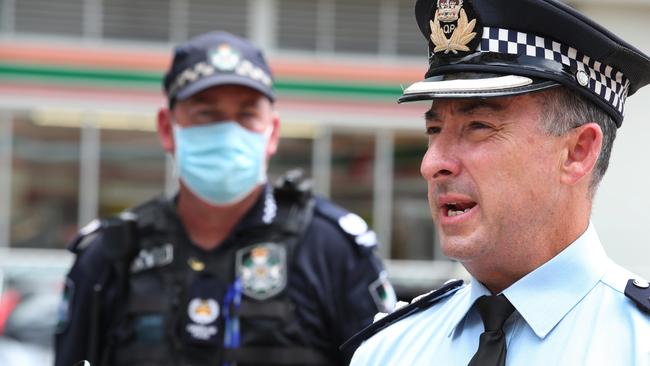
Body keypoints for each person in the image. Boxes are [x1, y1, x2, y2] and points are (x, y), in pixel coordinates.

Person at [54, 31, 396, 366]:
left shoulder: (331, 249)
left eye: (246, 114)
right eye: (207, 114)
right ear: (166, 128)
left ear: (272, 132)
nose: (228, 132)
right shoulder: (112, 254)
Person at [347, 0, 650, 365]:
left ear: (578, 152)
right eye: (433, 129)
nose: (432, 164)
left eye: (479, 127)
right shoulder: (389, 352)